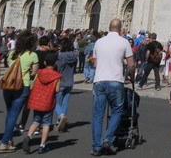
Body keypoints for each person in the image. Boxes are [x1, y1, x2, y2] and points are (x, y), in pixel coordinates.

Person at [90, 19, 135, 156]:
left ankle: (97, 146)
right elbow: (131, 65)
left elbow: (95, 64)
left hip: (99, 81)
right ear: (121, 28)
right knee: (117, 110)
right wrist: (131, 76)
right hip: (115, 80)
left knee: (98, 115)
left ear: (109, 27)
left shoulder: (99, 42)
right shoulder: (124, 42)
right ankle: (108, 139)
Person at [0, 30, 40, 154]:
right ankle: (5, 142)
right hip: (22, 86)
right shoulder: (33, 55)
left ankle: (9, 139)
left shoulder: (12, 53)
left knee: (10, 113)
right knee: (14, 114)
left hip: (8, 85)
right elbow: (34, 72)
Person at [22, 52, 62, 155]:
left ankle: (29, 136)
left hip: (37, 101)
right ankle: (42, 145)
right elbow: (57, 90)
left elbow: (33, 85)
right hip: (48, 102)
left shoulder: (39, 73)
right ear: (56, 63)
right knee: (46, 124)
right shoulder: (57, 76)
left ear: (44, 62)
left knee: (36, 121)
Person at [54, 36, 79, 132]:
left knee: (55, 101)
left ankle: (61, 116)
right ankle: (61, 121)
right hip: (70, 80)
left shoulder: (61, 56)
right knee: (65, 101)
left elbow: (59, 68)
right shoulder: (74, 55)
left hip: (61, 81)